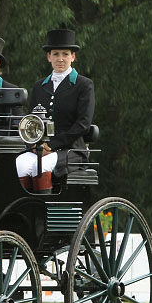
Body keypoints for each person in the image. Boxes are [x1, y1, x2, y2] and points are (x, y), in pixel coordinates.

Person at [15, 29, 95, 193]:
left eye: (65, 54)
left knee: (40, 166)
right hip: (39, 148)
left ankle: (42, 214)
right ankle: (25, 214)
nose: (60, 59)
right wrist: (34, 146)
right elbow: (31, 123)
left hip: (72, 150)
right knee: (21, 163)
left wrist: (51, 145)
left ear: (73, 57)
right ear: (49, 57)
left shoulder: (83, 85)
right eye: (56, 54)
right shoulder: (39, 86)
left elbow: (83, 124)